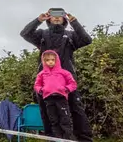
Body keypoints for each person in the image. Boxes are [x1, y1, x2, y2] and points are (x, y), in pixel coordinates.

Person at [20, 9, 93, 141]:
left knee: (76, 111)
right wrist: (38, 20)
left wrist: (74, 22)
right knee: (48, 115)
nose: (57, 18)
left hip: (67, 82)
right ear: (49, 19)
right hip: (46, 84)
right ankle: (53, 139)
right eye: (53, 15)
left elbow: (87, 40)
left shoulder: (70, 35)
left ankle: (83, 139)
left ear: (64, 18)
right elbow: (25, 33)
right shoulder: (42, 34)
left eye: (60, 15)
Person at [34, 50, 77, 140]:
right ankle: (57, 139)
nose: (50, 62)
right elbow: (37, 85)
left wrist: (66, 89)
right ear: (44, 61)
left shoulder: (64, 72)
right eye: (47, 60)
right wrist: (41, 90)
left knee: (65, 119)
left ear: (56, 60)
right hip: (48, 99)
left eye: (52, 60)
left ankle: (68, 138)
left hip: (61, 98)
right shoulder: (41, 74)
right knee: (53, 120)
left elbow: (73, 84)